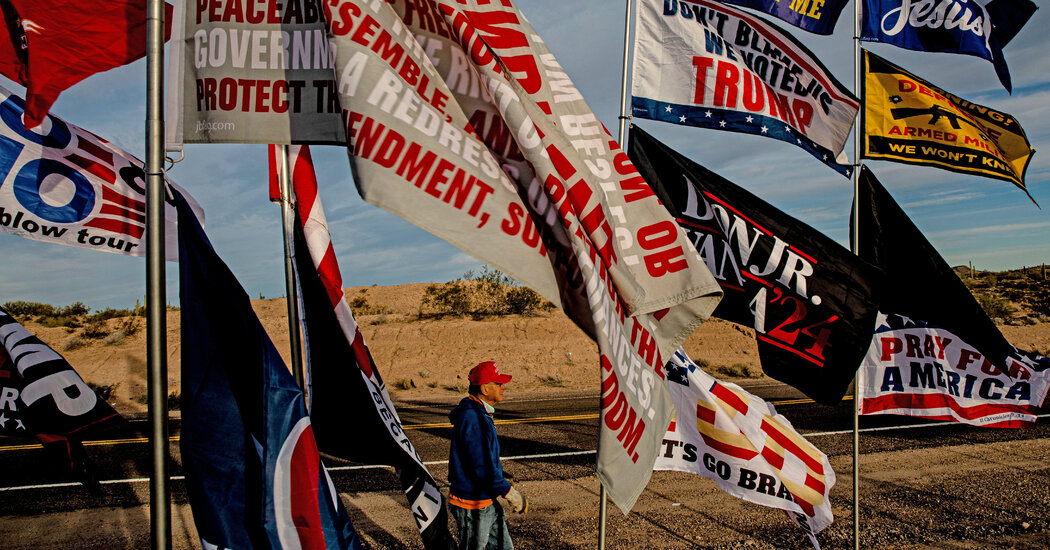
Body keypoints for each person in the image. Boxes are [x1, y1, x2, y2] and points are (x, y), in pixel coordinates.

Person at [447, 361, 527, 550]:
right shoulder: (473, 419)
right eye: (498, 384)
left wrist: (500, 477)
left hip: (485, 500)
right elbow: (481, 465)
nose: (503, 387)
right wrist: (509, 492)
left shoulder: (479, 414)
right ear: (484, 388)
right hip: (473, 505)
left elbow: (479, 459)